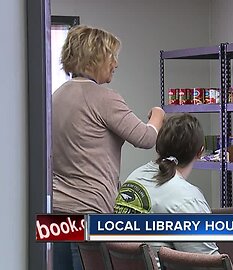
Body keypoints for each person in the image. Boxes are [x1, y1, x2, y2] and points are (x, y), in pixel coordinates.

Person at [52, 25, 165, 270]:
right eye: (112, 56)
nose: (116, 63)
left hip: (55, 213)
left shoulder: (56, 97)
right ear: (96, 58)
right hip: (90, 213)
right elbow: (145, 138)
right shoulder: (104, 98)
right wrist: (158, 115)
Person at [114, 113, 219, 262]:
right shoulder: (188, 199)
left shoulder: (135, 176)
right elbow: (208, 265)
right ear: (200, 152)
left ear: (159, 147)